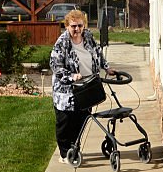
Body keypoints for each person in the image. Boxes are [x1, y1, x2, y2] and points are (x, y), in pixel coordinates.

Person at [49, 9, 115, 163]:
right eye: (73, 26)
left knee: (82, 119)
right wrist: (71, 76)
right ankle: (65, 154)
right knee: (65, 123)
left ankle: (74, 147)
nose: (77, 29)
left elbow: (97, 53)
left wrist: (106, 67)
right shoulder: (62, 43)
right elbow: (56, 66)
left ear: (84, 25)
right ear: (67, 26)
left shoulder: (88, 37)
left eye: (80, 26)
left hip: (87, 86)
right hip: (66, 92)